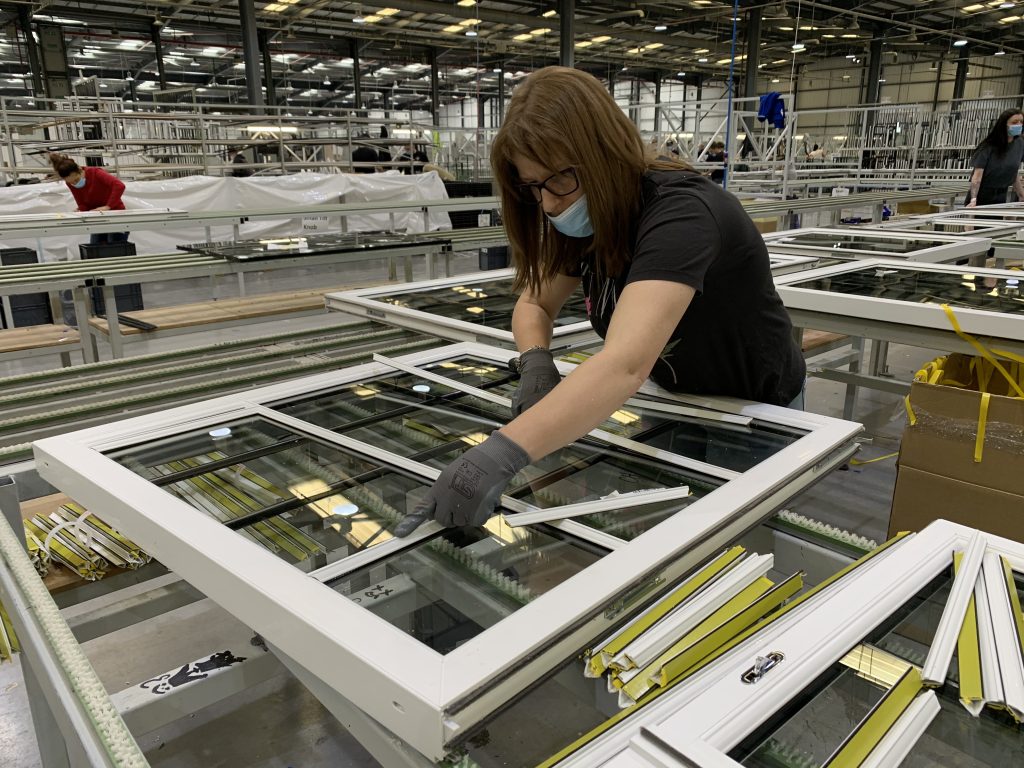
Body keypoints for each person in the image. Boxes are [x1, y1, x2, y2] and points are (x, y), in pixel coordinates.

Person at [394, 66, 805, 536]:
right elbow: (534, 305)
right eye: (533, 187)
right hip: (674, 399)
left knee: (734, 547)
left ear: (604, 154)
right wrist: (535, 361)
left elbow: (625, 363)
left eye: (557, 180)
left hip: (753, 412)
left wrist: (499, 454)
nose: (547, 204)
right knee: (669, 533)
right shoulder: (586, 219)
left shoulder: (682, 215)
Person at [48, 153, 127, 244]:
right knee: (95, 248)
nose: (74, 183)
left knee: (115, 247)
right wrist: (80, 210)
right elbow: (82, 203)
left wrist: (107, 206)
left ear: (80, 170)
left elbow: (119, 186)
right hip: (97, 219)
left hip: (115, 216)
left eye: (76, 179)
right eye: (71, 182)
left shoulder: (96, 173)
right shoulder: (70, 183)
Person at [966, 109, 1024, 207]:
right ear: (1003, 125)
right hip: (982, 194)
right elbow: (977, 177)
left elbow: (1013, 173)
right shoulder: (988, 146)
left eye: (1021, 122)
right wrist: (973, 199)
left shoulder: (1020, 144)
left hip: (1001, 194)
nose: (1019, 125)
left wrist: (1021, 195)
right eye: (1014, 122)